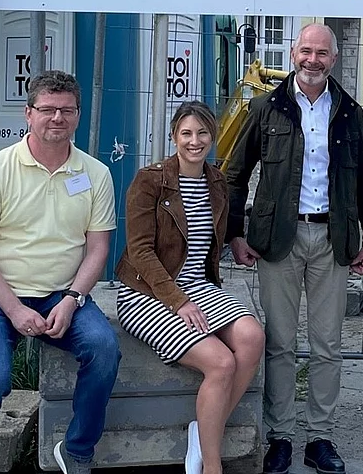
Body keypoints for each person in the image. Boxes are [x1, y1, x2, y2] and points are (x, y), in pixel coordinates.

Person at [0, 69, 119, 474]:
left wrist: (72, 300)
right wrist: (14, 309)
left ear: (78, 115)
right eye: (47, 109)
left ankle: (77, 451)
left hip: (61, 292)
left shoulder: (95, 174)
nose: (57, 118)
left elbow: (98, 250)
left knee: (104, 348)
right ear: (28, 113)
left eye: (67, 110)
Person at [226, 23, 363, 474]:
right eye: (306, 51)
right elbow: (235, 173)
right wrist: (235, 233)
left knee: (328, 344)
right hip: (279, 239)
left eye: (322, 53)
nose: (313, 60)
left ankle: (320, 436)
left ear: (334, 59)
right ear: (294, 53)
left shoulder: (350, 112)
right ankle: (280, 435)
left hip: (333, 239)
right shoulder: (266, 107)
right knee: (279, 343)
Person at [116, 101, 264, 474]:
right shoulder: (149, 180)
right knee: (221, 362)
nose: (194, 141)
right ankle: (211, 464)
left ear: (213, 136)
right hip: (147, 292)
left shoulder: (216, 181)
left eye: (202, 133)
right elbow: (140, 252)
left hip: (199, 287)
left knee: (252, 337)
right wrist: (178, 301)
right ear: (174, 136)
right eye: (186, 133)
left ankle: (205, 428)